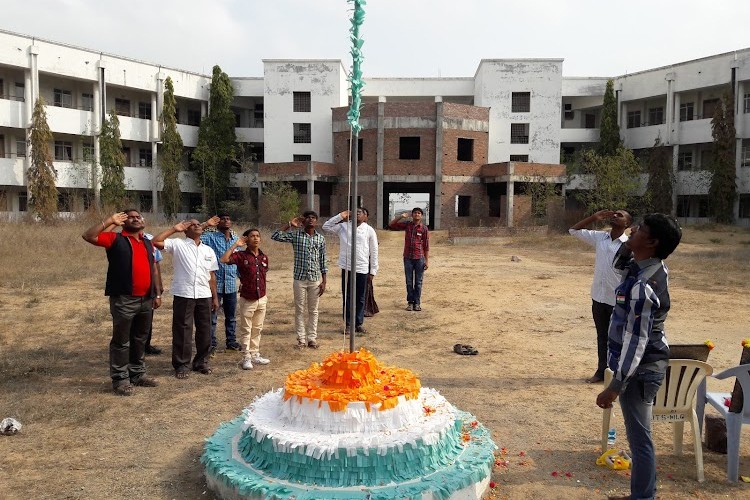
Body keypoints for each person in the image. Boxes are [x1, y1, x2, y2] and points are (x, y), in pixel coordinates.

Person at [596, 214, 682, 500]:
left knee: (640, 439)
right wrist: (629, 244)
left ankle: (644, 497)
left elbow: (637, 339)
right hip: (642, 367)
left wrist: (616, 385)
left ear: (653, 242)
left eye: (640, 230)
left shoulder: (643, 286)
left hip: (641, 370)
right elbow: (618, 264)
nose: (633, 230)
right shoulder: (648, 268)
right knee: (640, 437)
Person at [82, 210, 160, 396]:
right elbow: (88, 235)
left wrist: (156, 294)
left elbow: (154, 269)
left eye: (138, 216)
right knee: (121, 341)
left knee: (140, 339)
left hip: (146, 299)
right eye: (130, 217)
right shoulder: (115, 239)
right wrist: (110, 221)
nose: (135, 218)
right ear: (123, 222)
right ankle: (120, 379)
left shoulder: (147, 242)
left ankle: (137, 374)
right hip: (124, 299)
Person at [569, 209, 632, 384]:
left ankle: (618, 374)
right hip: (598, 296)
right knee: (602, 336)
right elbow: (573, 230)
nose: (615, 216)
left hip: (618, 300)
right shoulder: (600, 238)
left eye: (620, 215)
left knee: (619, 338)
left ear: (627, 224)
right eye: (615, 214)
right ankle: (601, 370)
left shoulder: (628, 244)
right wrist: (593, 218)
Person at [152, 218, 219, 379]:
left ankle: (201, 362)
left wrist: (215, 298)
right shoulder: (178, 244)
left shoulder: (208, 250)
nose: (197, 226)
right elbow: (155, 241)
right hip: (184, 293)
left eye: (199, 225)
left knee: (205, 330)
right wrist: (174, 228)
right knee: (183, 330)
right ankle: (182, 364)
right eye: (192, 225)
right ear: (185, 230)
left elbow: (211, 275)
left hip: (204, 295)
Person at [271, 210, 327, 349]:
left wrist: (324, 280)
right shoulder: (296, 236)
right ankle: (301, 339)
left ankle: (312, 339)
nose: (310, 220)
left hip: (314, 279)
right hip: (299, 279)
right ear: (303, 221)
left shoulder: (320, 239)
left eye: (313, 218)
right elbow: (275, 235)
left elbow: (323, 260)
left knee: (313, 310)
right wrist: (289, 224)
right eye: (308, 218)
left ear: (317, 221)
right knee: (299, 309)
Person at [322, 207, 379, 334]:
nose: (357, 213)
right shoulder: (344, 227)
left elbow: (374, 251)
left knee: (360, 298)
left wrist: (373, 270)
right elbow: (326, 227)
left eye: (360, 212)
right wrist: (340, 215)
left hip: (362, 267)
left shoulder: (369, 230)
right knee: (347, 296)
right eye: (355, 212)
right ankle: (348, 324)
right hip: (347, 267)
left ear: (366, 217)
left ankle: (358, 323)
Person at [220, 228, 270, 370]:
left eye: (257, 236)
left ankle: (255, 354)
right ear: (246, 239)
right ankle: (246, 356)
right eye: (252, 236)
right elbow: (223, 259)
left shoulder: (263, 257)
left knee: (257, 328)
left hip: (261, 297)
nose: (255, 238)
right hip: (248, 298)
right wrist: (236, 245)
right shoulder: (241, 256)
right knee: (246, 329)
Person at [201, 214, 242, 354]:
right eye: (223, 219)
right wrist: (207, 224)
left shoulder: (236, 239)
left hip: (231, 283)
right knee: (212, 316)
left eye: (228, 219)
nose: (226, 221)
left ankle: (231, 341)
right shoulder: (210, 237)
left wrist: (241, 279)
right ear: (217, 223)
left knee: (231, 316)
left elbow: (240, 261)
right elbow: (193, 235)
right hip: (215, 284)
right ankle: (210, 344)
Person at [389, 207, 429, 311]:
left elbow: (426, 245)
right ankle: (410, 302)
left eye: (419, 213)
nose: (417, 215)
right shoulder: (407, 225)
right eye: (415, 213)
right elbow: (391, 225)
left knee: (418, 282)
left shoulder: (424, 228)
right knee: (409, 281)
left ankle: (417, 303)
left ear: (421, 215)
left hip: (419, 258)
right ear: (412, 215)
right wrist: (400, 217)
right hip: (408, 258)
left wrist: (427, 260)